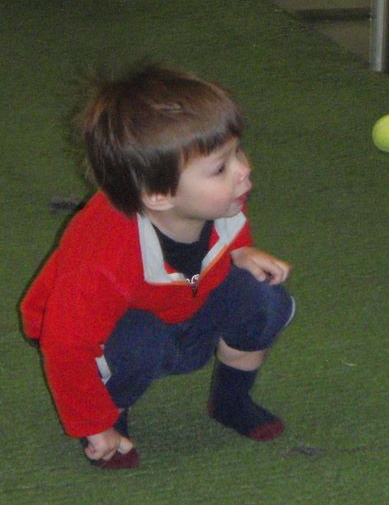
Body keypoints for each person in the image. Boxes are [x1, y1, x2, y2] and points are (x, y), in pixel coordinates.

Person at [19, 64, 295, 469]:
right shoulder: (103, 260)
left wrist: (241, 251)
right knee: (139, 340)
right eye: (220, 167)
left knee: (263, 298)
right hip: (112, 332)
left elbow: (231, 224)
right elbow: (66, 347)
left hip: (182, 304)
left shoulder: (218, 201)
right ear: (159, 196)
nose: (243, 170)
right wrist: (94, 424)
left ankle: (230, 401)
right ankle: (114, 420)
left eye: (237, 152)